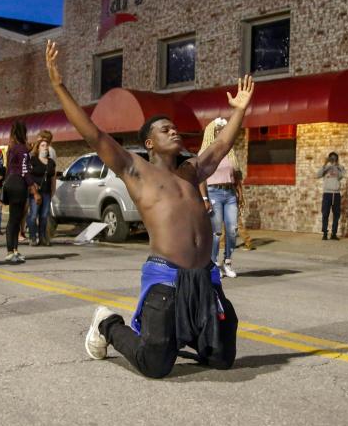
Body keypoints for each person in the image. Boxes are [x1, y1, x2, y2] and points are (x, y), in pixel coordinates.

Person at [46, 40, 250, 378]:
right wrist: (58, 85)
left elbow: (223, 144)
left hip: (204, 281)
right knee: (155, 365)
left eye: (174, 126)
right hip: (166, 279)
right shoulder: (135, 170)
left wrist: (239, 109)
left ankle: (178, 336)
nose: (173, 130)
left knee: (222, 358)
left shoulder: (192, 170)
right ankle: (107, 325)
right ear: (149, 142)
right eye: (164, 128)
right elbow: (93, 135)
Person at [198, 117, 243, 278]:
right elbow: (200, 177)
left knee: (232, 230)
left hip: (229, 192)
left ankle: (228, 262)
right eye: (218, 130)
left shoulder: (229, 151)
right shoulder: (206, 152)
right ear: (211, 132)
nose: (221, 132)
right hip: (213, 192)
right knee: (216, 231)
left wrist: (239, 193)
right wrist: (204, 199)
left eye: (223, 130)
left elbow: (237, 175)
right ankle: (214, 264)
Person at [2, 121, 40, 263]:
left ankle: (15, 250)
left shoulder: (11, 148)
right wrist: (34, 191)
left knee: (15, 218)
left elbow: (8, 168)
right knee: (14, 219)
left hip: (10, 182)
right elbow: (25, 171)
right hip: (19, 184)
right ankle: (10, 251)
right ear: (23, 133)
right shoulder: (22, 148)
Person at [27, 136, 56, 246]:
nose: (45, 148)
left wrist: (53, 190)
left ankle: (42, 237)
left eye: (47, 146)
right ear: (38, 148)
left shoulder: (51, 162)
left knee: (44, 216)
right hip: (36, 192)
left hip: (47, 192)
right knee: (33, 215)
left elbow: (53, 178)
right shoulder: (33, 160)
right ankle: (32, 236)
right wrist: (33, 187)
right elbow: (28, 175)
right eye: (43, 146)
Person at [317, 151, 345, 240]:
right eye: (331, 158)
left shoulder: (339, 167)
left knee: (336, 215)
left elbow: (342, 175)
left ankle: (334, 234)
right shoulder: (326, 168)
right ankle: (325, 233)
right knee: (325, 213)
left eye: (334, 158)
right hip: (327, 194)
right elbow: (318, 175)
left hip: (336, 194)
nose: (333, 159)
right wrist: (325, 164)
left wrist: (336, 165)